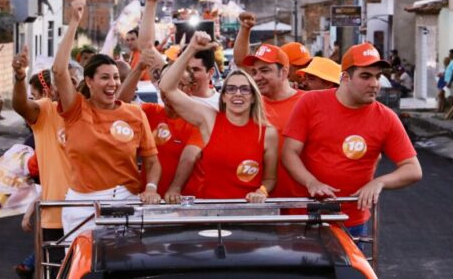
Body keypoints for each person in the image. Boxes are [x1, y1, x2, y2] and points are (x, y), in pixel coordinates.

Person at [282, 43, 422, 245]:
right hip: (305, 214)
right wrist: (311, 182)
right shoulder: (310, 102)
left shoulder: (386, 118)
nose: (374, 83)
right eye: (365, 76)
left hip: (351, 219)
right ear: (345, 78)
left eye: (377, 76)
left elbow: (413, 169)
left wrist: (379, 182)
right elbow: (289, 153)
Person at [53, 0, 160, 242]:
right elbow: (59, 71)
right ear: (89, 82)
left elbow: (152, 161)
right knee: (82, 266)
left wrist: (151, 188)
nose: (112, 83)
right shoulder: (75, 109)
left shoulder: (134, 114)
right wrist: (74, 21)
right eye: (104, 78)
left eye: (115, 78)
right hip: (81, 204)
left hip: (124, 200)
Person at [160, 31, 278, 203]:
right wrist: (191, 49)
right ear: (223, 96)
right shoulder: (210, 120)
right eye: (231, 89)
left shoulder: (267, 133)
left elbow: (270, 179)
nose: (238, 94)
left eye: (245, 89)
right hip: (209, 214)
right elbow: (167, 87)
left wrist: (261, 191)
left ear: (253, 96)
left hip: (249, 216)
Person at [12, 46, 72, 279]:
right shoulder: (47, 111)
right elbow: (21, 106)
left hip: (92, 213)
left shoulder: (92, 112)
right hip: (55, 215)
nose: (68, 86)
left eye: (72, 81)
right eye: (63, 81)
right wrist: (19, 76)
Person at [234, 12, 306, 198]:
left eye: (265, 70)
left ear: (284, 73)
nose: (257, 77)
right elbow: (240, 63)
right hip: (259, 201)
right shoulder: (250, 104)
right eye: (255, 72)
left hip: (301, 200)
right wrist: (245, 29)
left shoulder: (308, 102)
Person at [119, 50, 205, 199]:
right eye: (165, 84)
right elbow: (121, 105)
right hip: (149, 201)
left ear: (191, 88)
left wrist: (174, 190)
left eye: (178, 85)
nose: (169, 90)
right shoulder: (149, 112)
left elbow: (189, 158)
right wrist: (139, 68)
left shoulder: (198, 119)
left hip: (184, 203)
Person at [139, 0, 219, 109]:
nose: (189, 74)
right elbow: (147, 48)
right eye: (185, 68)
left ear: (210, 72)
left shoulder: (221, 104)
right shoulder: (169, 91)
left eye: (196, 70)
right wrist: (150, 3)